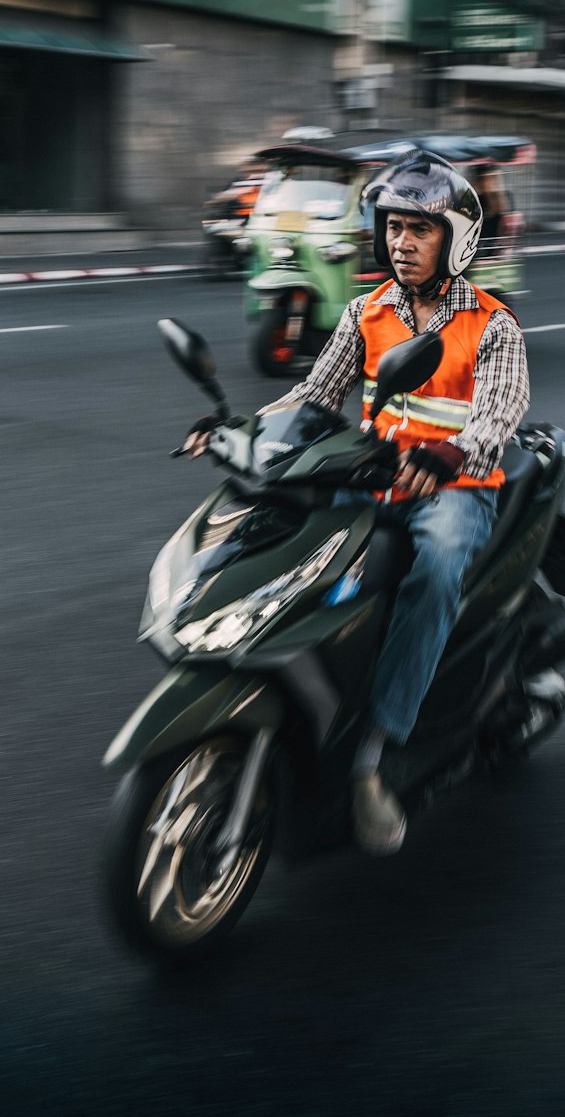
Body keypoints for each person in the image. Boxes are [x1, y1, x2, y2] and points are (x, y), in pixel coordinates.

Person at [183, 152, 530, 856]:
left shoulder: (491, 324)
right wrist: (237, 430)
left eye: (419, 230)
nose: (402, 242)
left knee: (434, 570)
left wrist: (453, 453)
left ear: (454, 240)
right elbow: (313, 396)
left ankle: (377, 751)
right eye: (394, 227)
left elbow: (500, 414)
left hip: (452, 490)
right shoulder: (365, 311)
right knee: (288, 537)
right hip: (370, 479)